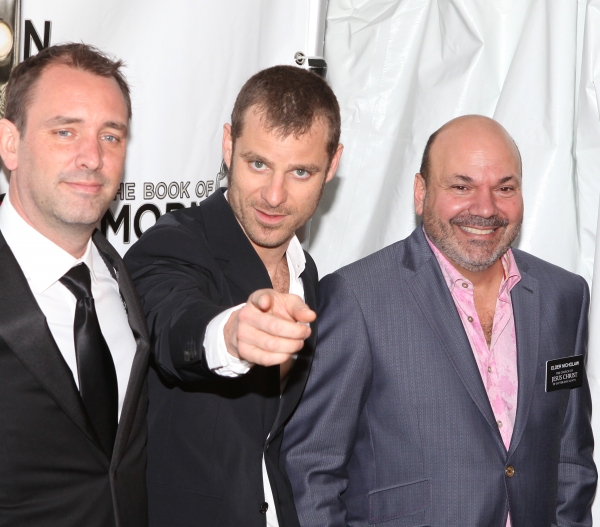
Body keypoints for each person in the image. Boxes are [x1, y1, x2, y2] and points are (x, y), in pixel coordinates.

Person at [282, 115, 596, 526]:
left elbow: (571, 459)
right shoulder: (357, 297)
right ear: (421, 192)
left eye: (504, 188)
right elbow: (312, 467)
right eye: (461, 186)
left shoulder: (563, 296)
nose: (485, 208)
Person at [124, 65, 343, 527]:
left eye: (300, 171)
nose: (275, 195)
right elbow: (174, 323)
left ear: (333, 165)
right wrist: (230, 334)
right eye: (258, 163)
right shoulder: (173, 244)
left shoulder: (307, 273)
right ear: (228, 146)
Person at [0, 44, 149, 526]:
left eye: (111, 135)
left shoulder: (127, 280)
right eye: (65, 132)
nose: (93, 158)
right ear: (9, 143)